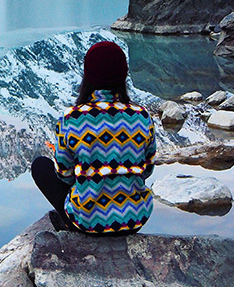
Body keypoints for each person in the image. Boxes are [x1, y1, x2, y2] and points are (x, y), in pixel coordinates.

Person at [31, 40, 156, 235]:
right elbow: (147, 170)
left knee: (40, 166)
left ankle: (70, 222)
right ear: (123, 75)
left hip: (88, 223)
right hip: (135, 219)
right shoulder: (141, 116)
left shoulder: (71, 119)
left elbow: (65, 175)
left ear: (87, 76)